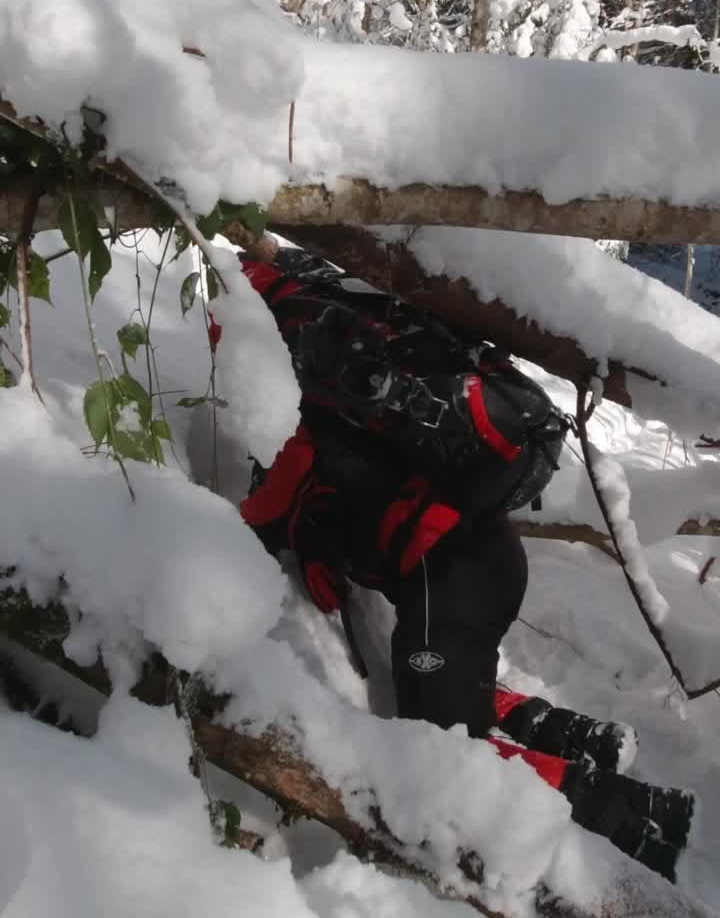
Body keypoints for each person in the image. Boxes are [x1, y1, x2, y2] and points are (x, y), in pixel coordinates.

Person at [226, 246, 694, 882]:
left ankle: (621, 810)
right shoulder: (332, 385)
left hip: (452, 583)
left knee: (450, 748)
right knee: (447, 687)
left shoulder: (306, 408)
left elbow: (261, 515)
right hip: (473, 566)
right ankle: (575, 735)